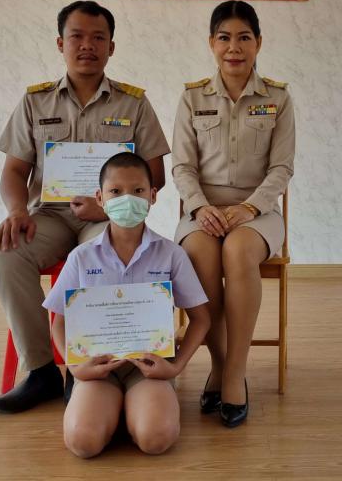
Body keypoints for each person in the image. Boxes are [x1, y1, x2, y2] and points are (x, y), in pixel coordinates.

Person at [0, 1, 171, 413]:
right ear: (60, 43)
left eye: (98, 38)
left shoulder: (134, 104)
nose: (87, 45)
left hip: (107, 218)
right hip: (48, 217)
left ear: (111, 47)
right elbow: (14, 171)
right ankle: (41, 372)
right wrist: (17, 211)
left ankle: (90, 369)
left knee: (104, 252)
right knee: (6, 254)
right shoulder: (35, 102)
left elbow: (155, 176)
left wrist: (110, 207)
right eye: (77, 37)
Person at [171, 0, 295, 428]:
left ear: (258, 42)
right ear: (212, 43)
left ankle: (235, 373)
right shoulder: (192, 98)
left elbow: (282, 168)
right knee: (201, 254)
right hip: (202, 210)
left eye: (244, 37)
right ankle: (220, 365)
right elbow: (182, 167)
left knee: (238, 251)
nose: (234, 47)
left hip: (257, 212)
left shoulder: (278, 97)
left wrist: (249, 207)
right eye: (224, 37)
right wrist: (201, 207)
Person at [43, 152, 210, 457]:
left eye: (138, 190)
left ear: (153, 196)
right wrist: (76, 369)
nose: (127, 199)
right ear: (100, 198)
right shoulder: (81, 256)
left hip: (148, 368)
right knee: (82, 443)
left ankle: (132, 411)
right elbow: (59, 321)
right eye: (116, 191)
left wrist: (174, 368)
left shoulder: (171, 255)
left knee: (157, 439)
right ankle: (114, 409)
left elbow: (201, 318)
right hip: (97, 366)